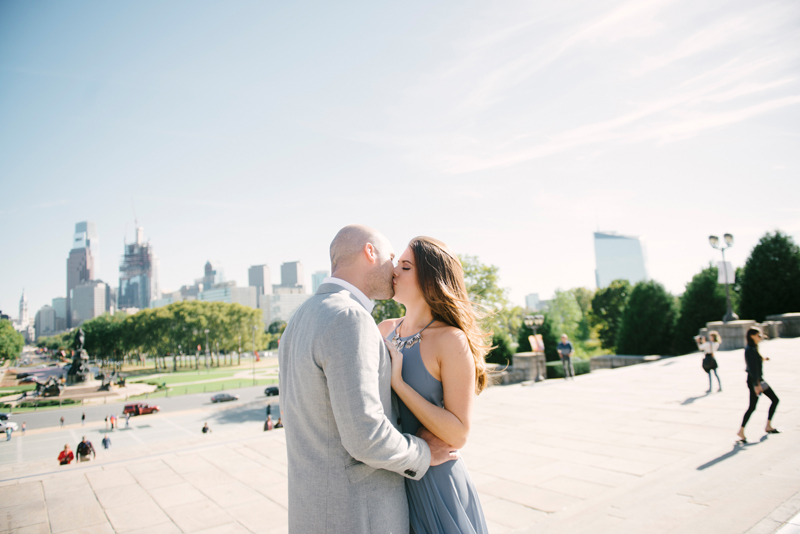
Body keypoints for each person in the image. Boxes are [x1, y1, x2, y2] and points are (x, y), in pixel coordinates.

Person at [278, 225, 456, 533]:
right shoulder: (349, 317)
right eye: (391, 258)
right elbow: (366, 437)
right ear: (369, 252)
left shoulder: (300, 318)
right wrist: (424, 453)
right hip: (359, 514)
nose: (394, 271)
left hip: (313, 511)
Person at [380, 236, 490, 533]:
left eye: (405, 267)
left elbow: (459, 432)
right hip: (390, 482)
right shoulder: (384, 330)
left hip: (437, 484)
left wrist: (400, 384)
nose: (394, 272)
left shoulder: (450, 340)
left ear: (430, 280)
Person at [737, 328, 780, 443]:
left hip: (757, 380)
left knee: (773, 400)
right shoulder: (749, 349)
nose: (760, 337)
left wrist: (763, 358)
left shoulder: (753, 348)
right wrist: (756, 385)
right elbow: (752, 369)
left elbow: (755, 363)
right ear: (752, 336)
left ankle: (768, 426)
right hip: (755, 381)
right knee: (753, 406)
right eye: (758, 335)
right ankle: (741, 431)